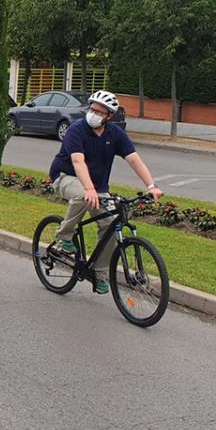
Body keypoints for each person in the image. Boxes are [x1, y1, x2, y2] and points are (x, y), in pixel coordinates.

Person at [48, 90, 163, 293]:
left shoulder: (115, 134)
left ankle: (99, 274)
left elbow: (134, 159)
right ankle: (65, 236)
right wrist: (89, 188)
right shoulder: (77, 129)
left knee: (111, 225)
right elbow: (77, 161)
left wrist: (151, 185)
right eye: (91, 109)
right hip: (64, 176)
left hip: (98, 187)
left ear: (109, 116)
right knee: (83, 195)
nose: (93, 114)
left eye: (99, 112)